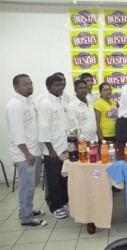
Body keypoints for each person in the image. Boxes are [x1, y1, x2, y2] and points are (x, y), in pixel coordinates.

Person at [6, 74, 47, 227]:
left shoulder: (29, 102)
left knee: (32, 185)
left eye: (31, 83)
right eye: (25, 84)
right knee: (26, 187)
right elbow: (17, 133)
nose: (30, 86)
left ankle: (26, 210)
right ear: (16, 87)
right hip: (25, 154)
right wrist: (27, 154)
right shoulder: (15, 105)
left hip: (34, 151)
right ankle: (27, 218)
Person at [38, 74, 69, 219]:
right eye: (56, 85)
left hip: (64, 147)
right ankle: (54, 206)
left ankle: (63, 202)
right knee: (53, 180)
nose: (60, 87)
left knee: (63, 178)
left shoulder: (62, 100)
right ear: (49, 87)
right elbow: (43, 128)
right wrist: (51, 150)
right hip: (52, 150)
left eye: (61, 84)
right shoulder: (45, 103)